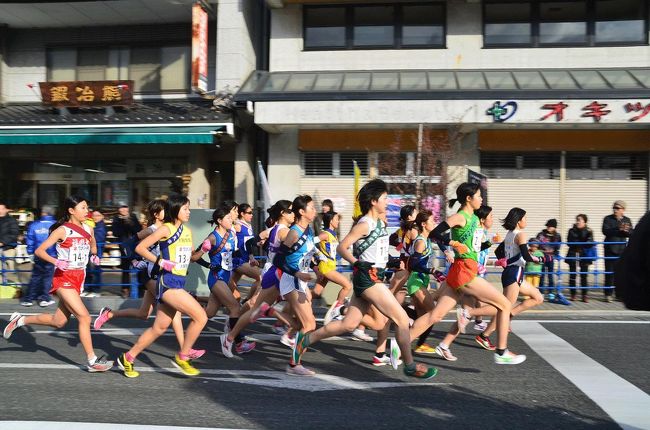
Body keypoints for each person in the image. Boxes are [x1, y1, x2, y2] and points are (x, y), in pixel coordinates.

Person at [292, 179, 437, 379]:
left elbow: (376, 253)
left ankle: (305, 340)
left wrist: (393, 262)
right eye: (385, 198)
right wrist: (357, 262)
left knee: (349, 324)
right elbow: (343, 247)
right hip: (368, 278)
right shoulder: (365, 224)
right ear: (373, 202)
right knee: (402, 319)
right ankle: (410, 365)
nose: (388, 202)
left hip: (372, 275)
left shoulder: (380, 223)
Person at [412, 183, 526, 365]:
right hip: (464, 270)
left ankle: (400, 343)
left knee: (436, 315)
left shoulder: (473, 218)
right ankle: (501, 351)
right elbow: (435, 232)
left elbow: (474, 247)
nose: (481, 199)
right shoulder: (460, 216)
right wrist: (454, 244)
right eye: (479, 196)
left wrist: (489, 243)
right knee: (505, 304)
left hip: (464, 269)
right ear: (468, 198)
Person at [3, 195, 113, 372]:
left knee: (59, 322)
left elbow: (93, 243)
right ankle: (92, 361)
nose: (87, 211)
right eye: (83, 208)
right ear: (71, 211)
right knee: (84, 317)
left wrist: (94, 255)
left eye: (87, 207)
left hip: (79, 278)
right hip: (64, 278)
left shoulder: (88, 228)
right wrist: (56, 262)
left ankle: (20, 320)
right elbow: (40, 251)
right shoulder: (62, 230)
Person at [116, 194, 208, 378]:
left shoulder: (188, 232)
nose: (189, 212)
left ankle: (128, 357)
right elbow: (140, 248)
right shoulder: (166, 229)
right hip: (168, 283)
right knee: (201, 316)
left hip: (179, 282)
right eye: (185, 209)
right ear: (175, 210)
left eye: (189, 208)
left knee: (158, 328)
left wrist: (202, 250)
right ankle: (183, 356)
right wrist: (161, 262)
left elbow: (191, 258)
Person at [192, 203, 256, 356]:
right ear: (220, 220)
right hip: (216, 277)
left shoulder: (230, 234)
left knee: (209, 313)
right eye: (227, 218)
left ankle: (189, 305)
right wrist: (208, 262)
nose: (230, 220)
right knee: (235, 307)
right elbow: (194, 257)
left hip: (226, 276)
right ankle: (237, 342)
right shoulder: (213, 237)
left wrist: (250, 256)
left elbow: (232, 254)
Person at [21, 206, 57, 307]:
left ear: (43, 213)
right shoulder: (57, 225)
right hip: (52, 255)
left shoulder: (34, 225)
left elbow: (30, 240)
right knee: (48, 277)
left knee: (35, 277)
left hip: (38, 254)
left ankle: (29, 299)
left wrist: (30, 253)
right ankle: (44, 298)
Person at [602, 200, 633, 302]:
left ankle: (619, 294)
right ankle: (608, 294)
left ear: (623, 210)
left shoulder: (627, 220)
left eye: (618, 208)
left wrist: (626, 230)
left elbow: (631, 233)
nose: (615, 210)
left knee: (620, 273)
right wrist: (618, 229)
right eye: (614, 208)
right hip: (610, 249)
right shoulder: (608, 219)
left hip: (622, 250)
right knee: (609, 273)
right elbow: (605, 231)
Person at [111, 204, 142, 298]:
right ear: (119, 209)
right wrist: (123, 222)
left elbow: (138, 230)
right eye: (121, 207)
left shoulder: (133, 217)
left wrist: (130, 223)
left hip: (135, 245)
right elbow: (116, 232)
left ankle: (141, 289)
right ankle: (125, 290)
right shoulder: (116, 219)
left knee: (139, 266)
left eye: (125, 207)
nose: (124, 209)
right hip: (123, 246)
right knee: (125, 268)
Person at [566, 214, 594, 303]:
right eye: (577, 220)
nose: (577, 222)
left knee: (584, 275)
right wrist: (581, 243)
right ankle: (573, 294)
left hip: (584, 254)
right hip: (573, 253)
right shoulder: (571, 230)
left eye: (580, 220)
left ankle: (584, 295)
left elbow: (590, 243)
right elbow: (569, 242)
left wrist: (580, 241)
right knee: (572, 275)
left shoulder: (589, 231)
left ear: (584, 222)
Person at [536, 219, 562, 300]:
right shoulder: (541, 234)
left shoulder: (557, 235)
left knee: (550, 276)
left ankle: (551, 292)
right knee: (542, 275)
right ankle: (541, 292)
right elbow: (536, 243)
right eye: (548, 225)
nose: (548, 227)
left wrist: (555, 253)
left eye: (551, 226)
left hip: (551, 258)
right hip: (542, 257)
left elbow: (558, 246)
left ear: (554, 227)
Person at [84, 210, 106, 296]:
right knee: (89, 269)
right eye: (94, 215)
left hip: (97, 251)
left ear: (102, 216)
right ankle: (89, 288)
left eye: (98, 215)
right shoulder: (96, 225)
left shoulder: (101, 226)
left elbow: (98, 238)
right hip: (93, 250)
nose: (95, 217)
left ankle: (96, 290)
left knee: (95, 270)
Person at [0, 201, 20, 284]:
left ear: (7, 210)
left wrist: (2, 242)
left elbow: (14, 234)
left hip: (8, 249)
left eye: (2, 208)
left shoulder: (12, 220)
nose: (0, 210)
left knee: (11, 271)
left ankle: (17, 289)